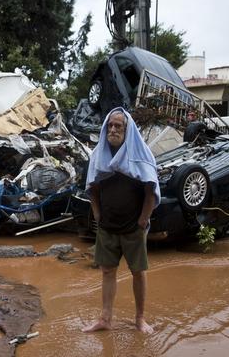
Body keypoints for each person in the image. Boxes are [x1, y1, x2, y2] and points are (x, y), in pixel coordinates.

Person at [82, 107, 160, 334]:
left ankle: (140, 319)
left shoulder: (141, 154)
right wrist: (97, 213)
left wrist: (143, 220)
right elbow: (93, 186)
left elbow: (150, 189)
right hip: (107, 226)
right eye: (110, 126)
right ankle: (105, 319)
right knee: (107, 271)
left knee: (138, 272)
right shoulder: (99, 154)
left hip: (133, 227)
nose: (113, 129)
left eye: (119, 126)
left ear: (128, 130)